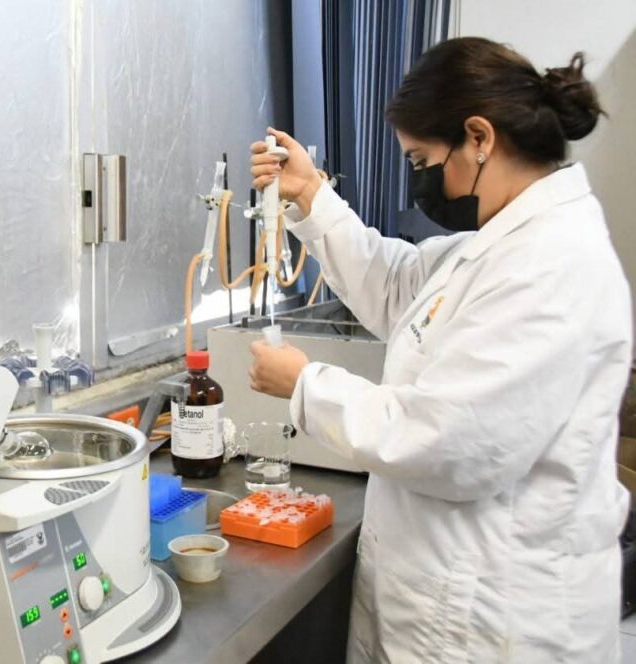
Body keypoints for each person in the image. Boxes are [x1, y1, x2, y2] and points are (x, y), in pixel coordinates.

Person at [247, 37, 632, 662]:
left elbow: (452, 441)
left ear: (479, 137)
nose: (422, 180)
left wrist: (306, 384)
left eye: (422, 160)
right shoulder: (500, 244)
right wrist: (311, 194)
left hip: (498, 618)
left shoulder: (552, 264)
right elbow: (398, 285)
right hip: (451, 592)